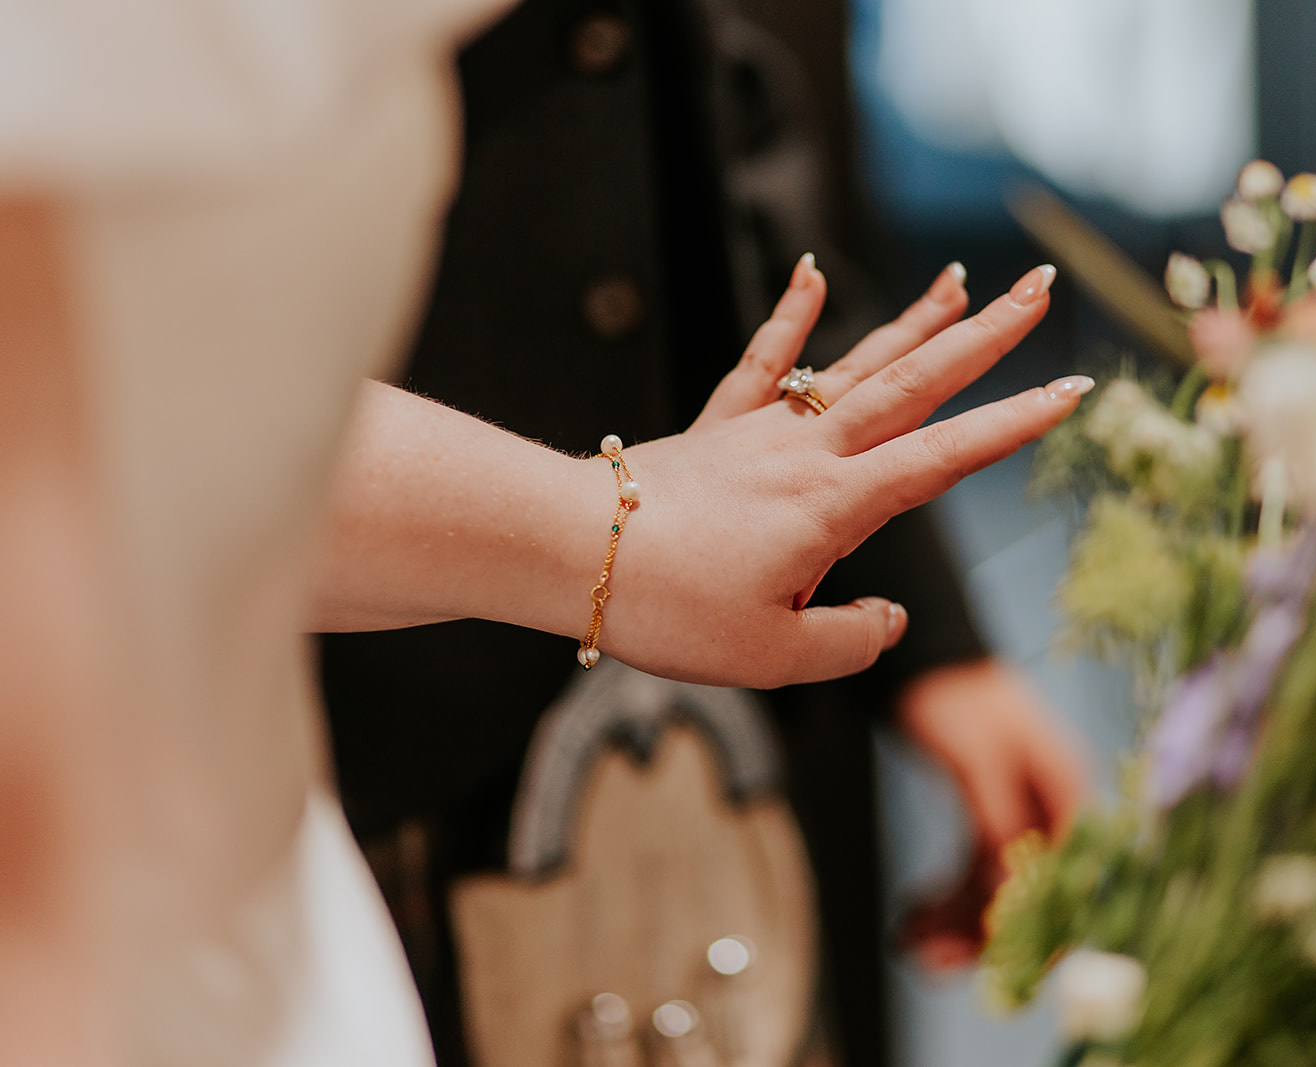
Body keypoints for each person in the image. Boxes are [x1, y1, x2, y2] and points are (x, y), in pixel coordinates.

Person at [0, 1, 1093, 1064]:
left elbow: (700, 106)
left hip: (596, 715)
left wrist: (925, 629)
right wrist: (601, 529)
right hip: (286, 751)